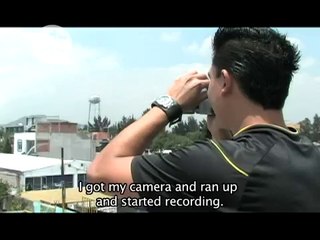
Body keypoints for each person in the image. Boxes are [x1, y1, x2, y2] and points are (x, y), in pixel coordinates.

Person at [88, 27, 320, 212]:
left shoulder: (217, 164)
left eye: (211, 81)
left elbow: (100, 174)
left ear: (225, 82)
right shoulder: (311, 157)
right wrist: (223, 137)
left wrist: (168, 103)